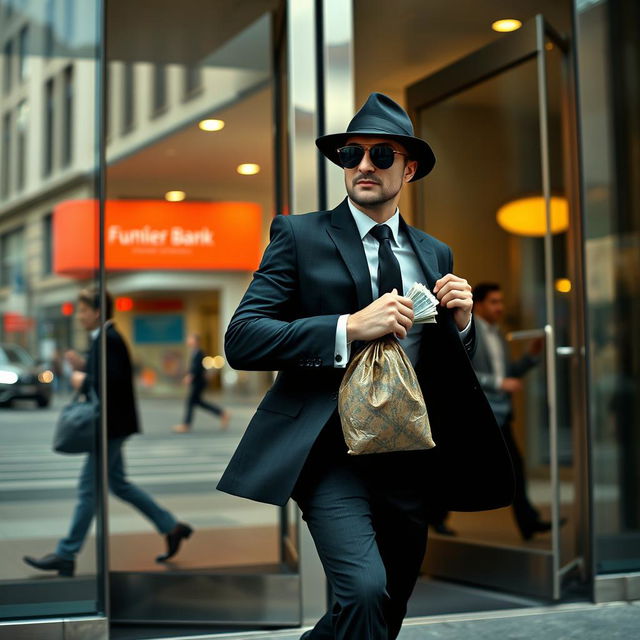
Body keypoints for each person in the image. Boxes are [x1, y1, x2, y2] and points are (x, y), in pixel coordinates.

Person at [217, 93, 514, 640]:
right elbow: (242, 339)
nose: (363, 165)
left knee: (388, 601)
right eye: (352, 153)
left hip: (409, 453)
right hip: (327, 449)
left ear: (410, 167)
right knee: (363, 590)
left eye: (381, 154)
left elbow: (439, 365)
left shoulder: (434, 252)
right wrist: (346, 327)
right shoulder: (299, 235)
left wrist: (465, 325)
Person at [23, 288, 192, 577]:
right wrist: (86, 367)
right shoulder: (105, 338)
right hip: (113, 424)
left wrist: (82, 377)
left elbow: (112, 382)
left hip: (110, 426)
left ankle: (66, 553)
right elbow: (108, 376)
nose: (79, 317)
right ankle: (171, 526)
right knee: (118, 484)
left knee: (88, 490)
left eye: (83, 311)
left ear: (97, 312)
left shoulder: (108, 339)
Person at [471, 282, 551, 540]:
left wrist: (531, 357)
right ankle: (435, 518)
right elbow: (465, 373)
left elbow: (508, 374)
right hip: (479, 414)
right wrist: (499, 383)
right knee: (461, 466)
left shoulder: (498, 333)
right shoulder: (469, 332)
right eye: (494, 302)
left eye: (501, 302)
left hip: (501, 413)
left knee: (515, 467)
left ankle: (528, 522)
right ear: (478, 304)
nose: (500, 308)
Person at [172, 333, 230, 433]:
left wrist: (190, 376)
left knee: (190, 402)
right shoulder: (194, 352)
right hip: (198, 382)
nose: (188, 341)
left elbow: (197, 368)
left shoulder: (199, 353)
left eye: (190, 339)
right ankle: (222, 413)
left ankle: (186, 425)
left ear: (195, 341)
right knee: (199, 402)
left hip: (199, 382)